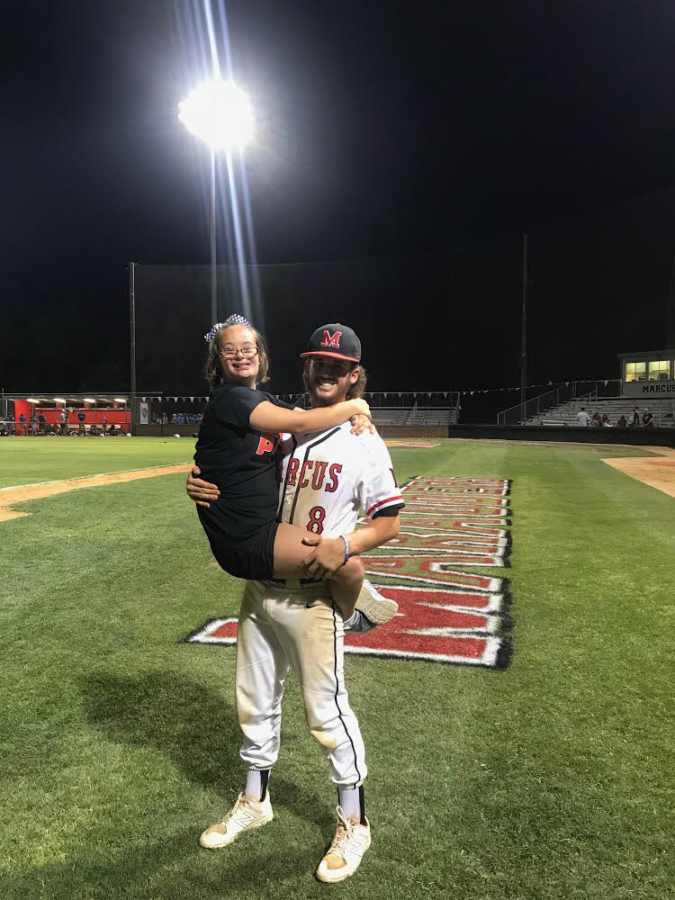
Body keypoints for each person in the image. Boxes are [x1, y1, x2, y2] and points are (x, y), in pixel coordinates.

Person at [187, 321, 404, 883]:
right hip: (262, 586)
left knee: (327, 715)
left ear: (354, 375)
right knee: (253, 705)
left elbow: (389, 521)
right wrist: (200, 479)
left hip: (312, 597)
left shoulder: (362, 439)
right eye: (318, 363)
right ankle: (255, 800)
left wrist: (346, 545)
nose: (326, 372)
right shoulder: (281, 427)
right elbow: (234, 470)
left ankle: (355, 822)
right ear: (306, 368)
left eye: (339, 367)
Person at [193, 314, 389, 629]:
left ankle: (336, 588)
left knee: (339, 565)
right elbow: (301, 423)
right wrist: (356, 406)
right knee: (350, 570)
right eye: (229, 350)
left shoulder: (263, 400)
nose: (240, 355)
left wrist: (359, 411)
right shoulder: (231, 397)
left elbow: (311, 416)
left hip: (262, 527)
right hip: (245, 536)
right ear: (217, 361)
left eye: (247, 348)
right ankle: (350, 618)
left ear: (261, 356)